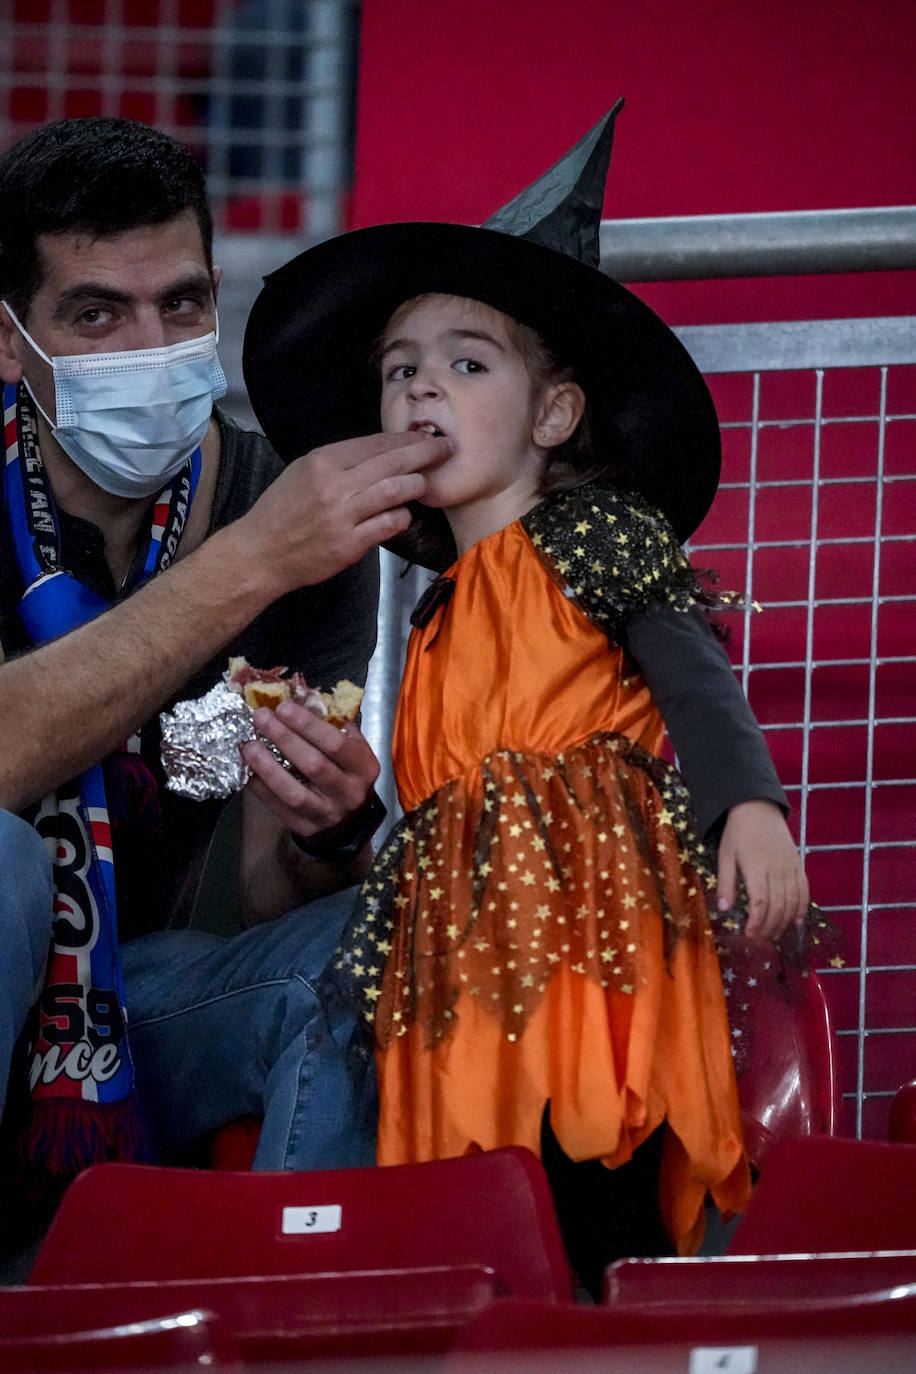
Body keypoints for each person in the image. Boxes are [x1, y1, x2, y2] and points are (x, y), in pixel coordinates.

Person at [242, 106, 836, 1294]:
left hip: (590, 938)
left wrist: (748, 808)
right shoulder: (430, 612)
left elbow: (692, 672)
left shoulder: (594, 531)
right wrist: (351, 827)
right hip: (463, 956)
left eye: (468, 364)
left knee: (593, 1160)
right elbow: (434, 811)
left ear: (554, 415)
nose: (423, 385)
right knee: (485, 1200)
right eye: (401, 369)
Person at [0, 114, 451, 1241]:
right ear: (10, 343)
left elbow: (261, 908)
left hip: (145, 1000)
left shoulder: (270, 501)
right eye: (96, 314)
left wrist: (323, 830)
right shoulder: (276, 535)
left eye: (182, 304)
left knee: (378, 929)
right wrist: (252, 562)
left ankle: (291, 1302)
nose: (151, 346)